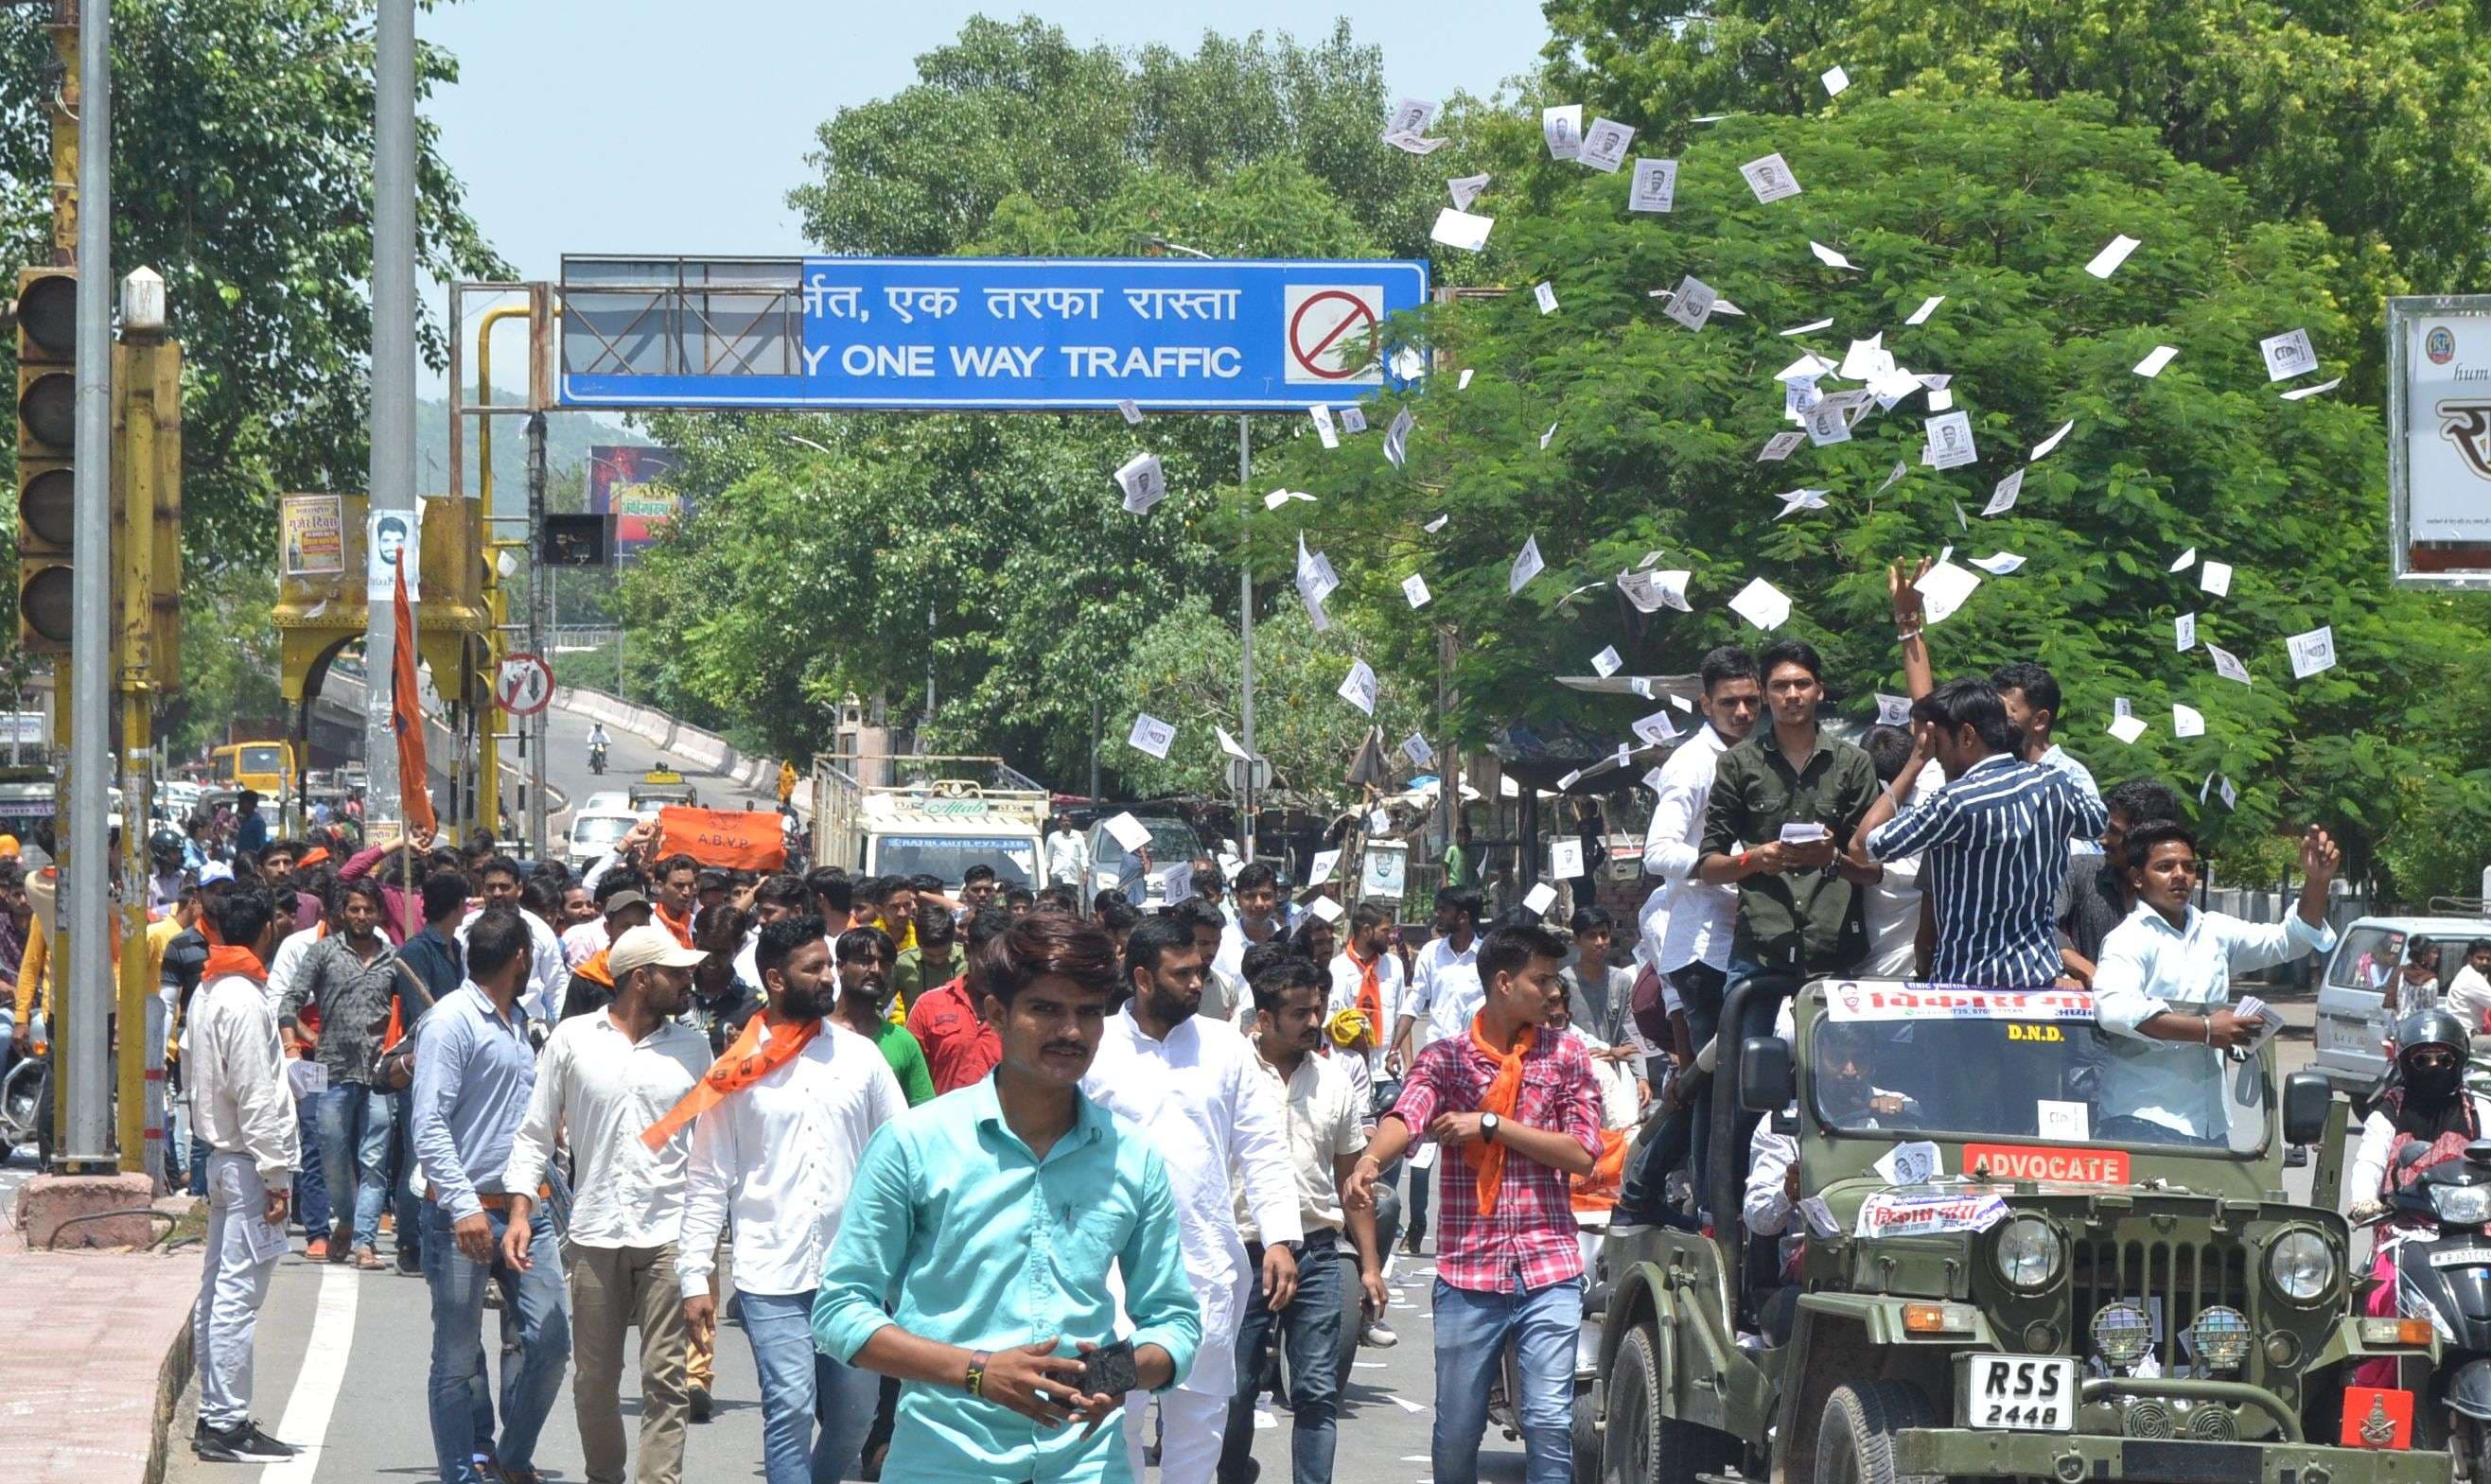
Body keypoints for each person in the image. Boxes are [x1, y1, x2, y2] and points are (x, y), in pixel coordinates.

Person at [813, 911, 1201, 1483]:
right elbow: (841, 1310)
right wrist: (977, 1372)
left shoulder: (1132, 1156)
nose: (1071, 1032)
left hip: (1087, 1464)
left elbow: (1174, 1322)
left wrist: (1111, 1376)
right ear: (996, 1013)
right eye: (1046, 1008)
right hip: (944, 1460)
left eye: (1088, 1012)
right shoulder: (915, 1144)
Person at [1345, 923, 1604, 1484]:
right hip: (1470, 1273)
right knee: (1459, 1428)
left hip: (1549, 1267)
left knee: (1548, 1423)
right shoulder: (1447, 1060)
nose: (1555, 992)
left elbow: (1584, 1153)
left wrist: (1492, 1125)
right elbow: (1406, 1115)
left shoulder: (1567, 1055)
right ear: (1504, 984)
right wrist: (1370, 1161)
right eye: (1543, 980)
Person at [665, 914, 908, 1484]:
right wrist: (694, 1276)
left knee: (855, 1416)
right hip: (771, 1271)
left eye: (829, 965)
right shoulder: (737, 1069)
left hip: (854, 1274)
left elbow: (903, 1153)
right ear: (776, 980)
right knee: (791, 1407)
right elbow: (707, 1177)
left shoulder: (860, 1058)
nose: (831, 977)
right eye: (816, 968)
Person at [1081, 914, 1302, 1484]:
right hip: (1108, 1271)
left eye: (1201, 971)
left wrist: (1279, 1236)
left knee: (1200, 1412)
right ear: (1142, 978)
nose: (1197, 983)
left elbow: (1263, 1146)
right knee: (1112, 1410)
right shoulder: (1095, 1046)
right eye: (1182, 974)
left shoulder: (1227, 1049)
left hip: (1203, 1264)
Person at [503, 925, 710, 1484]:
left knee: (665, 1380)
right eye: (677, 971)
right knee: (593, 1378)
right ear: (641, 979)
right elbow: (534, 1133)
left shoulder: (694, 1047)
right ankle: (605, 1476)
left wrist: (703, 1253)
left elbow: (710, 1147)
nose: (688, 979)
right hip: (594, 1233)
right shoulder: (573, 1039)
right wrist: (520, 1210)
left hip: (669, 1233)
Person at [1693, 639, 1876, 1202]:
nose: (1791, 695)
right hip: (1760, 957)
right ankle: (1726, 1220)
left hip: (1835, 957)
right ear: (1767, 696)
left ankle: (1837, 1209)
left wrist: (1836, 861)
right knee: (1745, 1095)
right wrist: (1757, 859)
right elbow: (1707, 864)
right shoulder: (1738, 764)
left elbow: (1873, 870)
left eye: (1801, 684)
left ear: (1819, 691)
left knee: (1843, 1096)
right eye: (1780, 686)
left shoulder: (1853, 763)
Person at [411, 907, 571, 1484]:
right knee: (456, 1357)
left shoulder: (520, 1020)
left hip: (530, 1208)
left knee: (551, 1339)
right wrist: (463, 1206)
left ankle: (512, 1456)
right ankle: (459, 1471)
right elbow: (428, 1124)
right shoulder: (451, 1021)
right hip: (464, 1215)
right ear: (522, 958)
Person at [1216, 956, 1385, 1484]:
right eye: (1299, 1014)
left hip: (1316, 1254)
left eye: (1317, 1010)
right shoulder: (1228, 1075)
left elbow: (1350, 1185)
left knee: (1316, 1391)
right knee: (1237, 1387)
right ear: (1264, 1019)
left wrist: (1370, 1267)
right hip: (1242, 1253)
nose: (1314, 1023)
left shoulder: (1335, 1083)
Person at [2093, 823, 2342, 1143]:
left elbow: (2289, 941)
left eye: (2188, 866)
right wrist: (2207, 1030)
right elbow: (2114, 1010)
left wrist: (2317, 881)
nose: (2180, 875)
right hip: (2142, 1120)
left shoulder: (2214, 931)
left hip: (2210, 1128)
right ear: (2138, 878)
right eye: (2165, 867)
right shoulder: (2127, 939)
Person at [1854, 678, 2108, 987]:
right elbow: (2098, 822)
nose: (1937, 756)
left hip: (1969, 985)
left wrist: (1914, 763)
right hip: (2038, 977)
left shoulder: (1955, 803)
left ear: (1967, 736)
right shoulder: (2055, 783)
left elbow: (1866, 844)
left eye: (1939, 744)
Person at [186, 885, 307, 1464]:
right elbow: (256, 1094)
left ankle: (220, 1415)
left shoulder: (208, 989)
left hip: (225, 1159)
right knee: (236, 1296)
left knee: (219, 1293)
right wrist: (277, 1177)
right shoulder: (242, 997)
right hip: (248, 1162)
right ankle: (225, 1423)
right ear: (262, 930)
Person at [281, 878, 407, 1270]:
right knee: (331, 1153)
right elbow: (290, 1001)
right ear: (342, 913)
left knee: (374, 1160)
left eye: (368, 909)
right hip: (331, 1071)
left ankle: (365, 1242)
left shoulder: (393, 959)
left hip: (380, 1076)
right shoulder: (323, 953)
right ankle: (348, 1221)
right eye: (354, 909)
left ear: (379, 914)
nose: (361, 916)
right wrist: (303, 1037)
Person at [2056, 778, 2184, 986]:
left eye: (2114, 832)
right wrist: (2090, 972)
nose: (2102, 840)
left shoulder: (2174, 892)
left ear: (2144, 837)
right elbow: (2043, 927)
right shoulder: (2080, 870)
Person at [831, 926, 938, 1106]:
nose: (876, 970)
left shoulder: (903, 1042)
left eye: (884, 964)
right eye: (865, 961)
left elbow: (923, 1114)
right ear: (841, 967)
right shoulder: (814, 1031)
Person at [907, 908, 1008, 1094]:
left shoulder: (1021, 1013)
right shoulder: (928, 1006)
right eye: (986, 960)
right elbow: (910, 1076)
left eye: (1001, 962)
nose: (993, 971)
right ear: (968, 951)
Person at [458, 855, 566, 1022]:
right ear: (482, 890)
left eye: (504, 887)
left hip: (528, 1026)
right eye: (490, 887)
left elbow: (556, 986)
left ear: (519, 888)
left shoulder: (539, 930)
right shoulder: (465, 928)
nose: (497, 893)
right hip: (477, 1023)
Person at [1328, 901, 1407, 1089]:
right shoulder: (1337, 968)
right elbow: (1333, 1022)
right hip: (1351, 1071)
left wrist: (1409, 1064)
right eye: (1385, 931)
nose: (1390, 937)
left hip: (1388, 1069)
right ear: (1366, 931)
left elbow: (1402, 1016)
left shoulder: (1394, 965)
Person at [891, 907, 960, 1011]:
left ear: (953, 939)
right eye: (930, 956)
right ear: (918, 943)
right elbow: (878, 1005)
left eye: (945, 954)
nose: (938, 961)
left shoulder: (967, 960)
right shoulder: (902, 964)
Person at [2389, 935, 2443, 1017]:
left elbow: (2392, 1003)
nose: (2436, 956)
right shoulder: (2431, 981)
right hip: (2418, 1027)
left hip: (2399, 1026)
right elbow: (2430, 1012)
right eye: (2433, 953)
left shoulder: (2401, 972)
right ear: (2423, 955)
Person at [2446, 940, 2491, 1034]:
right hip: (2467, 1036)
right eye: (2480, 958)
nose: (2485, 962)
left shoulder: (2468, 972)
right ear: (2470, 958)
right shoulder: (2472, 978)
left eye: (2488, 959)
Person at [1044, 813, 1091, 893]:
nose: (1066, 823)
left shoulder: (1078, 835)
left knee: (1072, 900)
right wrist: (1047, 875)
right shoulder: (1053, 837)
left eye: (1069, 821)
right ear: (1060, 823)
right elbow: (1048, 857)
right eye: (1064, 821)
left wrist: (1085, 872)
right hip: (1057, 877)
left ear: (1071, 823)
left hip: (1073, 877)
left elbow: (1083, 854)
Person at [235, 790, 268, 861]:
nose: (239, 805)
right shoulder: (246, 820)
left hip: (251, 863)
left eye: (241, 803)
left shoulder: (257, 821)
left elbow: (262, 846)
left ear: (249, 804)